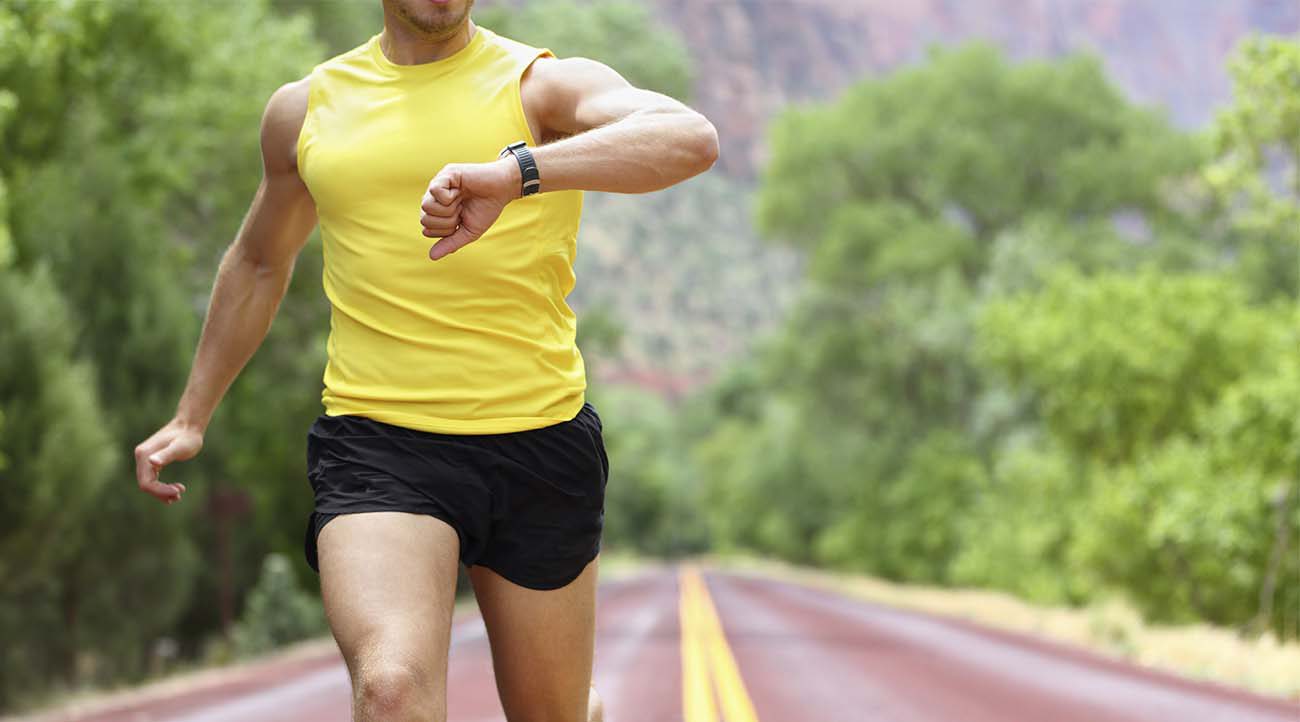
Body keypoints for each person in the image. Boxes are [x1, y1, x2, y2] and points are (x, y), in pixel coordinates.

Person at [131, 0, 719, 720]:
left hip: (538, 437)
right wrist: (192, 414)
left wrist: (519, 172)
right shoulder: (307, 109)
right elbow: (258, 261)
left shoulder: (539, 87)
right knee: (390, 690)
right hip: (380, 442)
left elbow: (689, 139)